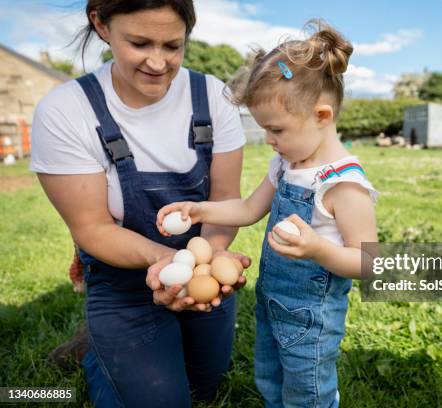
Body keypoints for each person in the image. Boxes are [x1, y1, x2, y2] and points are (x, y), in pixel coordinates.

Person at [30, 1, 249, 406]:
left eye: (173, 45)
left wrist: (211, 260)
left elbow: (225, 199)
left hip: (198, 265)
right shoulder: (66, 110)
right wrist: (167, 262)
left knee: (205, 386)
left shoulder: (213, 97)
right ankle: (99, 348)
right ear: (101, 24)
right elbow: (92, 228)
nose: (158, 62)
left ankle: (129, 345)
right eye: (140, 43)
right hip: (122, 280)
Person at [156, 20, 378, 408]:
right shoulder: (286, 164)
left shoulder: (344, 184)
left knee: (308, 392)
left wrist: (317, 250)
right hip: (272, 301)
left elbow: (368, 262)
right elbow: (247, 208)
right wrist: (198, 209)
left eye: (276, 130)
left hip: (311, 320)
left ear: (322, 116)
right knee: (271, 379)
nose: (270, 142)